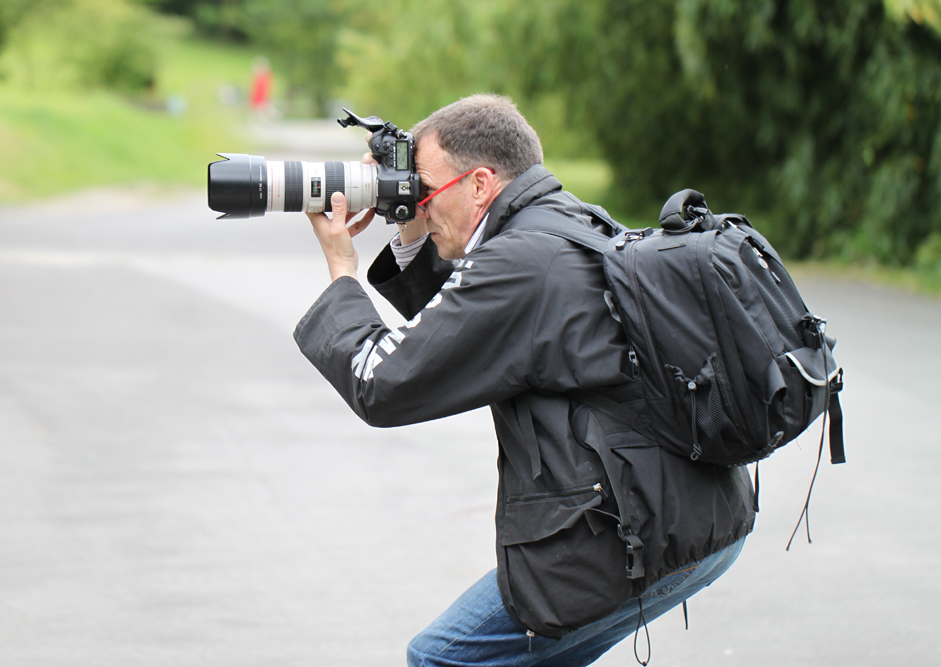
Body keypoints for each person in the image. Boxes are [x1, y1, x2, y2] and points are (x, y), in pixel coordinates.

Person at [294, 94, 755, 667]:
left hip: (640, 531)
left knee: (441, 658)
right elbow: (469, 330)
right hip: (698, 515)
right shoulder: (561, 221)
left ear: (481, 184)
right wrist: (412, 227)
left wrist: (342, 267)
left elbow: (384, 383)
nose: (419, 202)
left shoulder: (522, 263)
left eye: (426, 191)